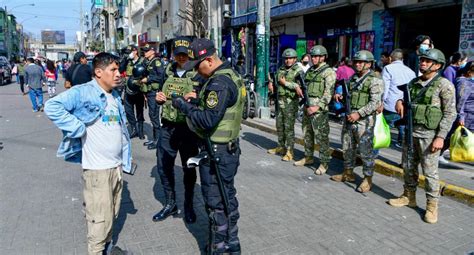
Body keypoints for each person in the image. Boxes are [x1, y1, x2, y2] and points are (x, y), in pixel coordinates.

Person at [44, 52, 131, 254]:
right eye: (113, 70)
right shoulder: (84, 91)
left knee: (111, 215)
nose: (118, 74)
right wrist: (77, 127)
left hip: (116, 167)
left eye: (118, 69)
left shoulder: (115, 95)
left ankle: (107, 249)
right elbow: (52, 106)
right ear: (99, 72)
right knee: (98, 223)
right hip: (97, 171)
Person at [171, 38, 243, 254]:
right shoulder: (231, 75)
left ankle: (218, 248)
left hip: (217, 154)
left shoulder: (218, 83)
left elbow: (207, 120)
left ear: (210, 60)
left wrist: (184, 106)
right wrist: (195, 103)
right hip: (226, 150)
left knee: (215, 203)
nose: (197, 72)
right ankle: (232, 243)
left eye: (199, 66)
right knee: (227, 196)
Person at [388, 49, 456, 224]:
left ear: (438, 65)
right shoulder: (413, 83)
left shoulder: (444, 85)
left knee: (430, 172)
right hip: (411, 133)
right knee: (409, 167)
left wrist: (441, 137)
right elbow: (405, 99)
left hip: (430, 136)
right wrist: (399, 101)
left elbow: (450, 114)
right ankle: (408, 196)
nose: (423, 63)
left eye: (427, 61)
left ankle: (432, 206)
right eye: (422, 60)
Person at [152, 37, 202, 224]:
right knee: (163, 166)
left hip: (188, 129)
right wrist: (158, 97)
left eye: (184, 53)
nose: (181, 57)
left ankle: (188, 205)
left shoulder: (197, 72)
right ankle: (170, 203)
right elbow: (158, 93)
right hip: (168, 127)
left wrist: (195, 97)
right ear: (173, 54)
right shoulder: (167, 71)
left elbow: (205, 97)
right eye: (178, 54)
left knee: (189, 169)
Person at [330, 50, 384, 193]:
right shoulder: (354, 78)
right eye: (356, 62)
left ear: (369, 64)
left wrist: (358, 114)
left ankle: (367, 179)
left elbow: (375, 102)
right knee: (348, 147)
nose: (358, 64)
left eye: (361, 62)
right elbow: (350, 94)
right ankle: (348, 173)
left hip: (364, 121)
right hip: (349, 117)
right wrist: (340, 96)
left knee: (366, 151)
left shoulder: (375, 79)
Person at [294, 45, 336, 176]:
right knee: (307, 134)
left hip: (319, 110)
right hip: (307, 106)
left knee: (321, 137)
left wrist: (317, 107)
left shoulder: (328, 72)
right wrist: (299, 88)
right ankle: (308, 156)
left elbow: (328, 93)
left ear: (323, 57)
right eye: (313, 56)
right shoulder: (310, 70)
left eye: (318, 56)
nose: (315, 58)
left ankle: (324, 163)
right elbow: (305, 85)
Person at [267, 48, 304, 161]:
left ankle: (290, 151)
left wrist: (285, 83)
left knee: (288, 128)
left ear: (295, 59)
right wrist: (271, 83)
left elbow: (300, 87)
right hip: (280, 101)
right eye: (286, 58)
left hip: (290, 103)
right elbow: (275, 79)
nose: (288, 61)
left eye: (290, 58)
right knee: (279, 126)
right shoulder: (281, 69)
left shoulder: (298, 71)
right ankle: (280, 147)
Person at [381, 49, 416, 148]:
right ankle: (401, 142)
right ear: (402, 59)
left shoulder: (388, 68)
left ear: (390, 58)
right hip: (404, 105)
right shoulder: (411, 72)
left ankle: (376, 150)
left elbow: (385, 88)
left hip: (390, 105)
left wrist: (381, 102)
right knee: (402, 126)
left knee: (383, 127)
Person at [139, 44, 165, 150]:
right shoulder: (147, 62)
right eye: (144, 51)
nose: (145, 53)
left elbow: (161, 76)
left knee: (154, 116)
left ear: (152, 51)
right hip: (149, 92)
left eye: (147, 51)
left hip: (154, 92)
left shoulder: (156, 62)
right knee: (152, 115)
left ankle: (158, 141)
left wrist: (148, 79)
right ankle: (154, 138)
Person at [123, 45, 145, 140]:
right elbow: (120, 69)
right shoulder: (128, 61)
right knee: (128, 111)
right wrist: (125, 59)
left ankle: (140, 131)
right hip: (128, 89)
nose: (129, 54)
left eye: (130, 52)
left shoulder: (143, 61)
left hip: (139, 89)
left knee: (139, 111)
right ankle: (134, 129)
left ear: (135, 51)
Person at [456, 61, 474, 132]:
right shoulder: (464, 83)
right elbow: (460, 101)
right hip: (467, 118)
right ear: (469, 72)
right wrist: (461, 117)